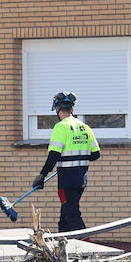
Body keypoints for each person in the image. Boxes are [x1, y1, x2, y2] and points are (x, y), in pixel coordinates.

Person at [32, 92, 100, 232]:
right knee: (65, 218)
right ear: (72, 109)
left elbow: (54, 155)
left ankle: (86, 249)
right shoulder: (85, 127)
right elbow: (95, 154)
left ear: (57, 108)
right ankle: (62, 245)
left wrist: (42, 175)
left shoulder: (60, 127)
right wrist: (78, 159)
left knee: (72, 215)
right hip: (81, 179)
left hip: (67, 180)